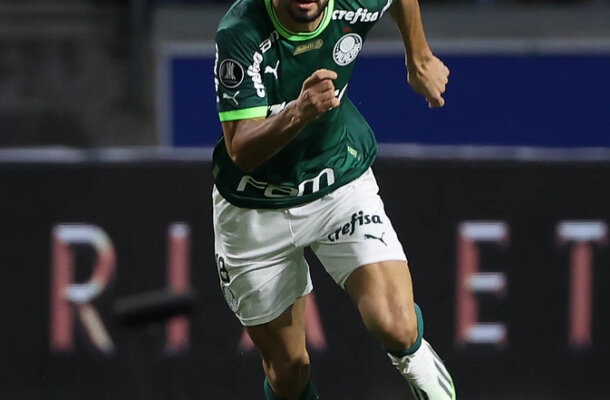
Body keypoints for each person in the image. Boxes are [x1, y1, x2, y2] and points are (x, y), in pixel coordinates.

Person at [212, 0, 454, 398]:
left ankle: (422, 368)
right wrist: (299, 112)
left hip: (337, 179)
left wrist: (419, 57)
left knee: (396, 323)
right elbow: (241, 150)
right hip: (256, 208)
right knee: (289, 371)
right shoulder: (240, 32)